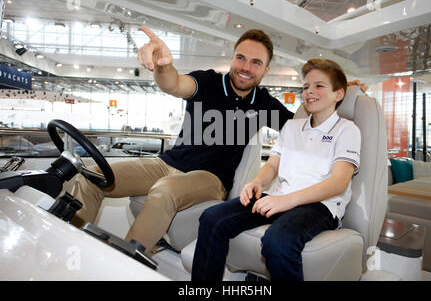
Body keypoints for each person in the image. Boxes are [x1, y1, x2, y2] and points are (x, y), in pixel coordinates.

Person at [69, 27, 294, 253]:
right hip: (167, 163)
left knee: (164, 190)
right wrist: (164, 67)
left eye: (256, 62)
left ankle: (126, 262)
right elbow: (174, 84)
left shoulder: (264, 104)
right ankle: (71, 253)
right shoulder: (208, 82)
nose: (246, 67)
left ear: (266, 70)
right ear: (233, 58)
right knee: (91, 176)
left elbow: (302, 128)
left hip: (211, 179)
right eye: (241, 58)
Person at [191, 59, 361, 281]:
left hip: (320, 205)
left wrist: (288, 200)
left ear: (339, 94)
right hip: (280, 197)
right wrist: (257, 183)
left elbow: (338, 182)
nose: (310, 92)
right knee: (212, 218)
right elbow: (272, 165)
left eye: (319, 86)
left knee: (277, 240)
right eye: (306, 87)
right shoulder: (291, 127)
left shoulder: (347, 129)